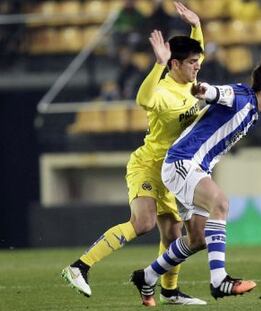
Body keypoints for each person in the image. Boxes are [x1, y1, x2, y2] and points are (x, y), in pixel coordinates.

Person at [62, 2, 207, 306]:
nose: (197, 66)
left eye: (198, 61)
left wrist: (196, 24)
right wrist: (158, 63)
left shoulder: (191, 79)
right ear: (175, 64)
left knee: (171, 235)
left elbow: (198, 48)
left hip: (172, 170)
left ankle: (170, 292)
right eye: (192, 62)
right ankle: (79, 267)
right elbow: (142, 98)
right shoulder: (165, 91)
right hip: (149, 165)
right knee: (142, 223)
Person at [130, 60, 261, 305]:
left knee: (198, 239)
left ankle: (148, 275)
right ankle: (219, 281)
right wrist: (205, 90)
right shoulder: (242, 97)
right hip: (182, 163)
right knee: (221, 203)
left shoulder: (252, 111)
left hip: (194, 168)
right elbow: (217, 93)